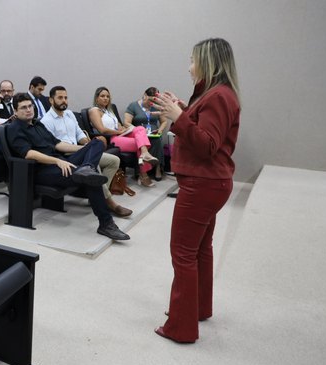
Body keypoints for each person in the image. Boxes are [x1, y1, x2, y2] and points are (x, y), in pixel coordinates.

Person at [152, 38, 241, 344]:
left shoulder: (217, 96)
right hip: (211, 183)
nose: (189, 67)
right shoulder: (219, 94)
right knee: (201, 249)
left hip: (203, 183)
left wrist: (178, 117)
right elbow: (203, 130)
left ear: (207, 62)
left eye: (192, 60)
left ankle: (181, 327)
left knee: (183, 254)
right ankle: (199, 309)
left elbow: (206, 145)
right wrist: (184, 110)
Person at [6, 93, 130, 241]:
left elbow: (58, 144)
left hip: (60, 162)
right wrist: (56, 161)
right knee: (92, 179)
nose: (28, 110)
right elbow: (28, 153)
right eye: (23, 108)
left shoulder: (37, 124)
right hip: (43, 170)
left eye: (30, 106)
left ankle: (87, 168)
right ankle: (106, 223)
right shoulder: (14, 128)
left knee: (96, 143)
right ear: (15, 111)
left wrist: (85, 149)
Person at [41, 85, 132, 218]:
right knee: (94, 165)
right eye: (60, 98)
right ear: (51, 100)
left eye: (65, 97)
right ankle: (109, 202)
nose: (64, 101)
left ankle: (97, 195)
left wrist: (87, 143)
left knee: (114, 160)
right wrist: (85, 148)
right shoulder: (46, 121)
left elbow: (79, 134)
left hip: (80, 149)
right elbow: (55, 146)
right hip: (66, 155)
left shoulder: (69, 114)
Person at [88, 87, 159, 187]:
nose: (105, 98)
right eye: (102, 96)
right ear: (96, 98)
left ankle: (144, 155)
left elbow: (119, 124)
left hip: (119, 134)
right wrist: (118, 131)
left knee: (140, 129)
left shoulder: (109, 110)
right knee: (141, 142)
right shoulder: (94, 110)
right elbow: (102, 130)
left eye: (107, 96)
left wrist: (123, 129)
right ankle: (143, 173)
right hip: (111, 138)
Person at [125, 87, 169, 180]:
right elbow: (126, 122)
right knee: (142, 141)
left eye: (154, 100)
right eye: (150, 100)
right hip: (138, 133)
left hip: (154, 133)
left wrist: (160, 130)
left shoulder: (157, 107)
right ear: (145, 95)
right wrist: (137, 129)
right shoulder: (133, 106)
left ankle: (157, 168)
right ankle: (141, 170)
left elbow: (164, 121)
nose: (151, 103)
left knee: (156, 139)